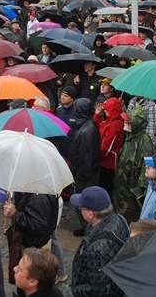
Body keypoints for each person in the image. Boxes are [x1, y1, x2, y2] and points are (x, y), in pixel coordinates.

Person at [70, 186, 130, 297]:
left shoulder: (96, 250)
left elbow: (98, 291)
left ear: (91, 214)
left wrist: (76, 289)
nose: (80, 211)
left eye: (81, 208)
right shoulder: (118, 219)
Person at [3, 192, 59, 283]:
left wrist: (15, 214)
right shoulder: (36, 193)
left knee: (33, 276)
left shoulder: (38, 198)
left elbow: (38, 225)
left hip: (35, 244)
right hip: (36, 241)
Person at [114, 109, 156, 221]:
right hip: (122, 194)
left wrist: (137, 196)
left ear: (135, 125)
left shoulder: (146, 145)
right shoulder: (131, 137)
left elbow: (146, 177)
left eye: (127, 122)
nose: (124, 124)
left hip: (131, 201)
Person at [68, 98, 101, 236]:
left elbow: (86, 158)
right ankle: (87, 227)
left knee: (84, 204)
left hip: (85, 177)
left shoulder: (87, 131)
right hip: (86, 174)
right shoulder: (87, 126)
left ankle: (90, 230)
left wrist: (80, 177)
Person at [93, 97, 124, 197]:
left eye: (106, 109)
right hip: (102, 160)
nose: (104, 110)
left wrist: (96, 157)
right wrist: (97, 116)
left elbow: (107, 147)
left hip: (107, 163)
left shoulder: (115, 124)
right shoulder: (109, 120)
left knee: (105, 188)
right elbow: (97, 129)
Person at [55, 86, 77, 158]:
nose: (63, 97)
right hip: (61, 144)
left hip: (72, 146)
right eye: (62, 95)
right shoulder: (59, 110)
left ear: (72, 98)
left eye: (66, 96)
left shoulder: (77, 111)